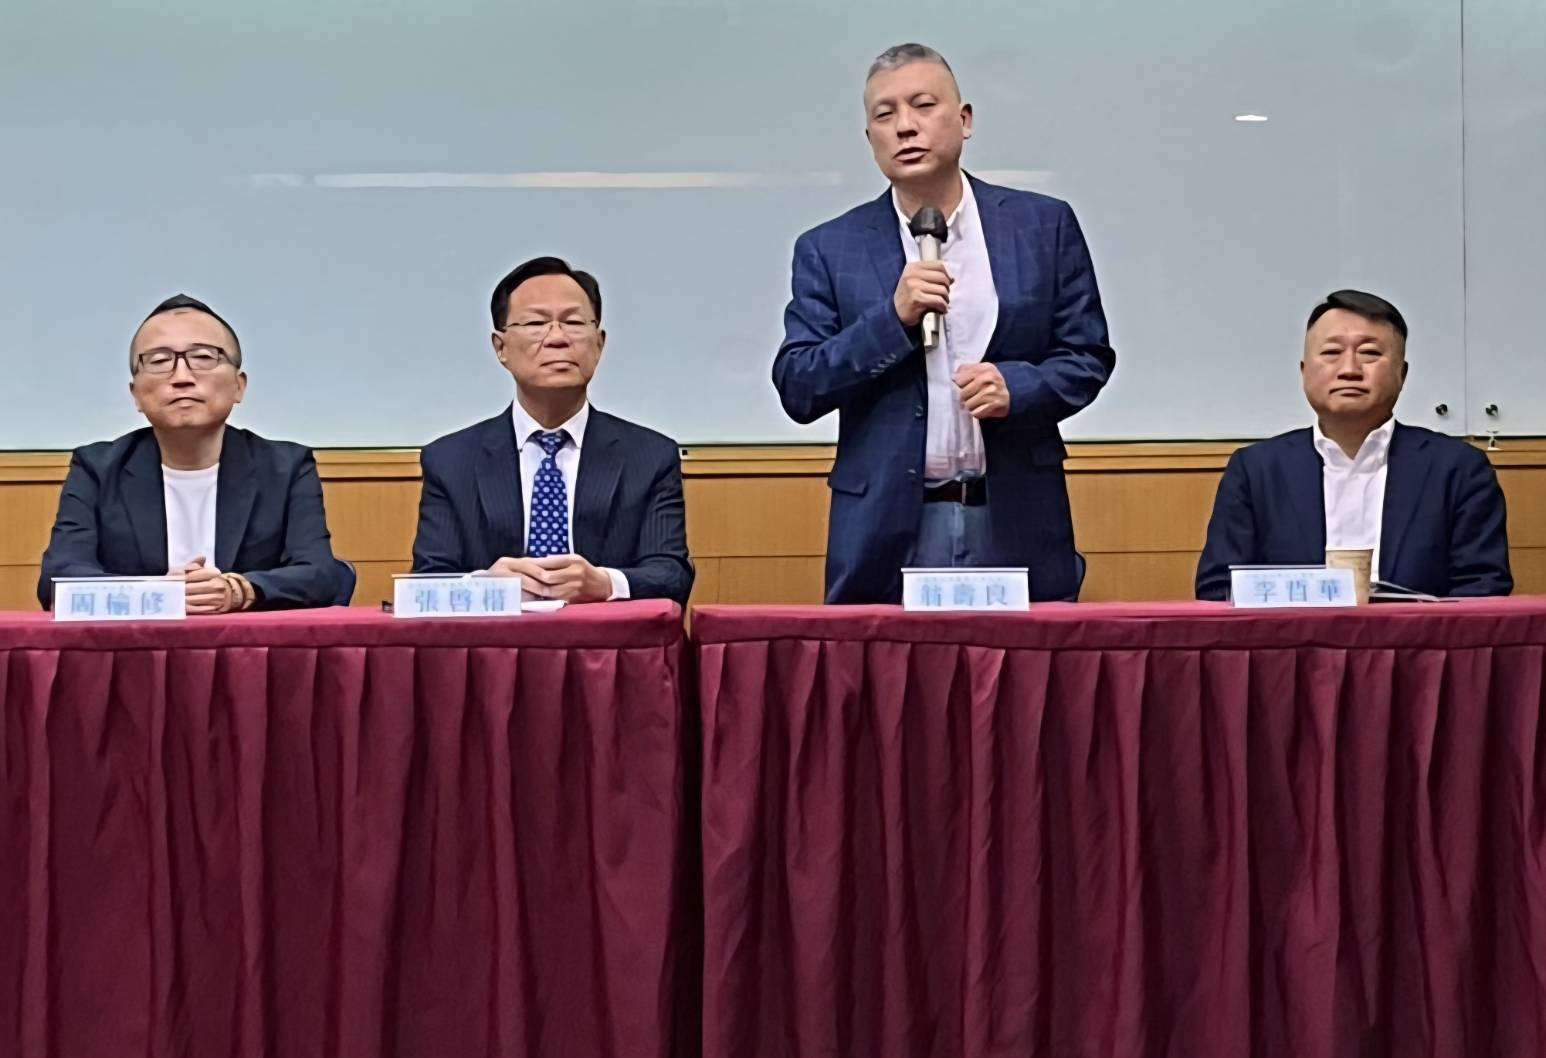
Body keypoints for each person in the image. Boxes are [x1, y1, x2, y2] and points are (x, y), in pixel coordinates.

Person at [772, 43, 1116, 604]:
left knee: (1023, 664)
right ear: (869, 138)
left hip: (1015, 514)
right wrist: (893, 320)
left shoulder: (1042, 225)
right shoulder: (829, 247)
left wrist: (1018, 387)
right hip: (885, 527)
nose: (905, 126)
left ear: (965, 119)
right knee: (886, 666)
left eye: (923, 105)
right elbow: (798, 385)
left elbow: (1087, 356)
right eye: (885, 114)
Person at [412, 256, 693, 605]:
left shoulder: (650, 456)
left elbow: (672, 575)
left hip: (604, 638)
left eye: (573, 322)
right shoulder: (451, 460)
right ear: (501, 348)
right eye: (536, 323)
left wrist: (605, 583)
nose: (557, 338)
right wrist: (487, 586)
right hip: (495, 639)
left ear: (599, 344)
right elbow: (426, 585)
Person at [1196, 289, 1512, 599]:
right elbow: (1219, 588)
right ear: (1304, 372)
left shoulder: (1458, 469)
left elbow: (1484, 587)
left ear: (1402, 374)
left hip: (1416, 634)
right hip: (1294, 635)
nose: (1349, 370)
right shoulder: (1256, 471)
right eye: (1332, 353)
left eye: (1370, 353)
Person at [39, 294, 341, 611]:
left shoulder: (286, 468)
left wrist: (240, 590)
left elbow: (319, 574)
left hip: (246, 640)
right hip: (140, 640)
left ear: (239, 386)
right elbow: (57, 580)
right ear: (135, 395)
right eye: (159, 362)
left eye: (203, 357)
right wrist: (156, 594)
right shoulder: (97, 469)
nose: (182, 378)